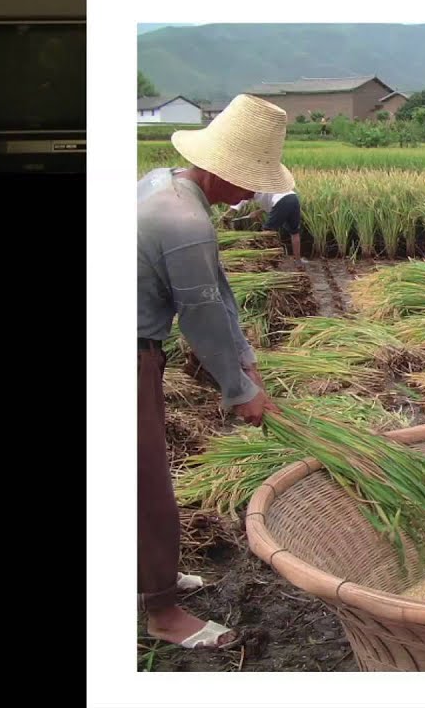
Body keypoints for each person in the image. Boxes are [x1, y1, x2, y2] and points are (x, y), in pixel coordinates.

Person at [137, 94, 294, 649]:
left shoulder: (165, 183)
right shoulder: (185, 222)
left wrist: (247, 364)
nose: (253, 192)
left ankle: (144, 573)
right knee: (146, 482)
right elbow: (201, 320)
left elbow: (217, 294)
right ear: (219, 168)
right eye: (248, 179)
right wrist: (239, 391)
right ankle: (161, 611)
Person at [227, 191, 305, 263]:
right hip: (293, 198)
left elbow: (242, 199)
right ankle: (298, 260)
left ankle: (266, 259)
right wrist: (258, 211)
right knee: (294, 232)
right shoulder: (268, 184)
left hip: (282, 201)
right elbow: (273, 203)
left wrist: (229, 212)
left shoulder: (253, 187)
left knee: (267, 232)